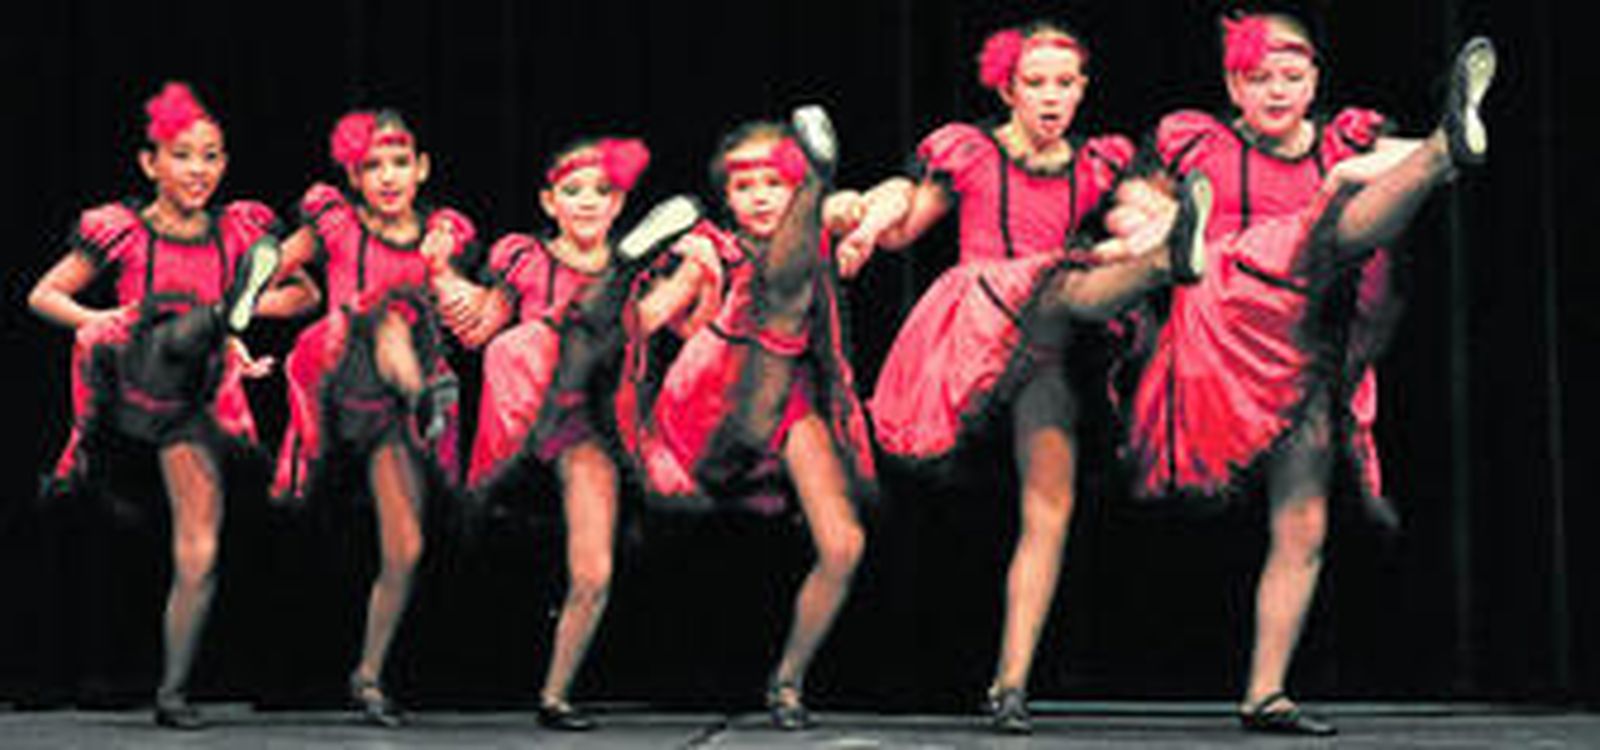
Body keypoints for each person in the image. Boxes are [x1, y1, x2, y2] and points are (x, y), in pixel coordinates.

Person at [830, 22, 1211, 734]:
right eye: (1036, 83)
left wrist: (1165, 220)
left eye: (1065, 84)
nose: (1051, 97)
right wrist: (863, 222)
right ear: (1006, 88)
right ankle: (1161, 263)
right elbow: (905, 215)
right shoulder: (971, 153)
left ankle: (1009, 685)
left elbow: (1133, 208)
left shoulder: (1098, 162)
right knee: (1076, 274)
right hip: (979, 321)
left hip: (1051, 343)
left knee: (1050, 506)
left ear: (1083, 90)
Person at [1125, 11, 1497, 735]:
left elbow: (1394, 163)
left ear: (1315, 80)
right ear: (1234, 83)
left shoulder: (1338, 137)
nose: (1277, 91)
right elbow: (1135, 203)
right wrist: (1153, 228)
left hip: (1303, 349)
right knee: (1336, 211)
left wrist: (1381, 162)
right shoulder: (1197, 141)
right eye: (1260, 79)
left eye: (1293, 78)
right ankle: (1438, 152)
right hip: (1225, 328)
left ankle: (1264, 693)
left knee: (1304, 523)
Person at [27, 81, 315, 729]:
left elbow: (306, 296)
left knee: (199, 548)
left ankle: (173, 692)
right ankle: (210, 316)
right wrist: (101, 317)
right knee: (157, 340)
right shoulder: (123, 232)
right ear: (149, 162)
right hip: (131, 384)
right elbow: (43, 295)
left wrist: (244, 312)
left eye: (212, 155)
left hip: (195, 402)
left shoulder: (237, 227)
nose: (199, 170)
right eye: (183, 155)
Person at [613, 107, 874, 730]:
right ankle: (821, 173)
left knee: (844, 544)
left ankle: (787, 682)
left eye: (775, 183)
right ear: (725, 196)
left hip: (793, 400)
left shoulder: (823, 236)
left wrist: (862, 218)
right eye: (743, 185)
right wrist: (625, 300)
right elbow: (650, 317)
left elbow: (876, 207)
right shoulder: (710, 248)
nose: (758, 196)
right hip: (717, 397)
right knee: (780, 294)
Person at [454, 136, 698, 730]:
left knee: (593, 570)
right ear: (548, 201)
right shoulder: (526, 259)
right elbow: (481, 334)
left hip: (599, 419)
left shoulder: (656, 273)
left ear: (620, 205)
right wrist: (444, 279)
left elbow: (690, 330)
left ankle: (555, 695)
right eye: (573, 191)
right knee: (536, 339)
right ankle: (603, 298)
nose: (588, 202)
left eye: (603, 192)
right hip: (538, 409)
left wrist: (701, 268)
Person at [267, 107, 479, 726]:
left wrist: (457, 285)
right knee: (377, 318)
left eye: (398, 163)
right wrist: (243, 317)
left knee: (406, 547)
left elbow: (460, 306)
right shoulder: (335, 227)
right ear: (352, 177)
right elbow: (262, 274)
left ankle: (368, 675)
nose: (386, 177)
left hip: (390, 406)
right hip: (335, 371)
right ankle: (423, 391)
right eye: (370, 167)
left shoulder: (441, 236)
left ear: (422, 169)